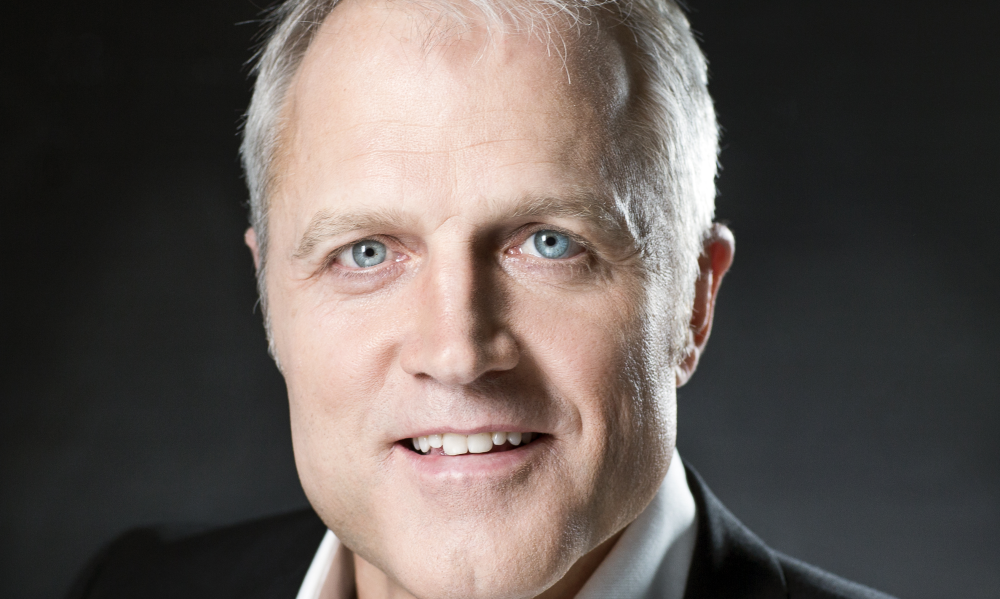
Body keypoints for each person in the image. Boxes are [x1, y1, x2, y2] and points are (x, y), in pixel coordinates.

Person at [67, 0, 895, 597]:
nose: (457, 353)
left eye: (550, 243)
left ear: (693, 304)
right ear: (269, 298)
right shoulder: (132, 584)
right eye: (366, 252)